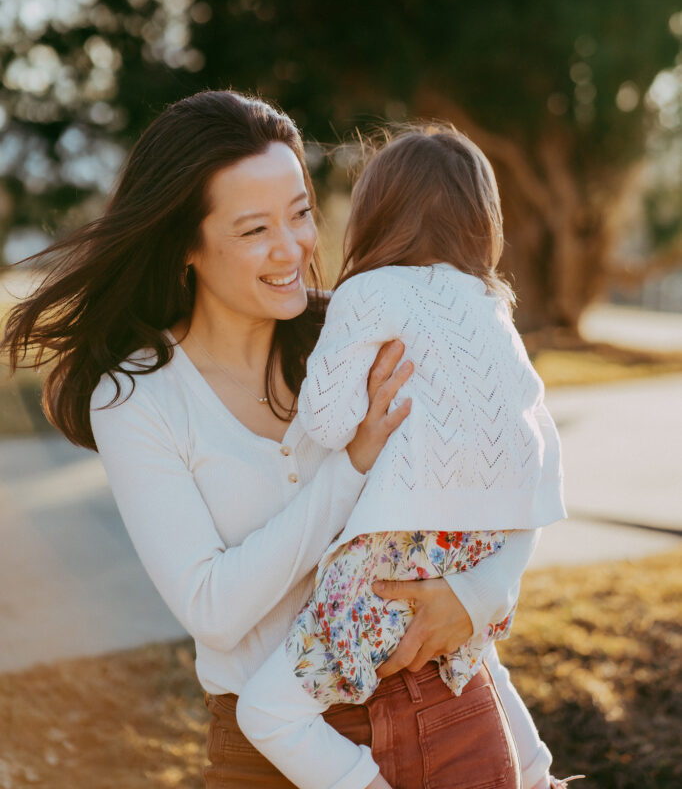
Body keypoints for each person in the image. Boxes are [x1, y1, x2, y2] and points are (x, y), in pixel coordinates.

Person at [2, 91, 553, 789]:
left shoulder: (358, 330)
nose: (293, 248)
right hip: (268, 752)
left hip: (443, 704)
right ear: (186, 246)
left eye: (300, 214)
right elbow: (215, 608)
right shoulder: (139, 396)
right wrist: (350, 466)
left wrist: (481, 595)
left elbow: (506, 478)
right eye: (255, 228)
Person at [235, 125, 570, 789]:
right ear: (483, 223)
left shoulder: (370, 292)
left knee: (267, 713)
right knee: (476, 660)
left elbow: (327, 424)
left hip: (385, 566)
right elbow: (538, 442)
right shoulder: (492, 305)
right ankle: (536, 775)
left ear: (375, 212)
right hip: (477, 555)